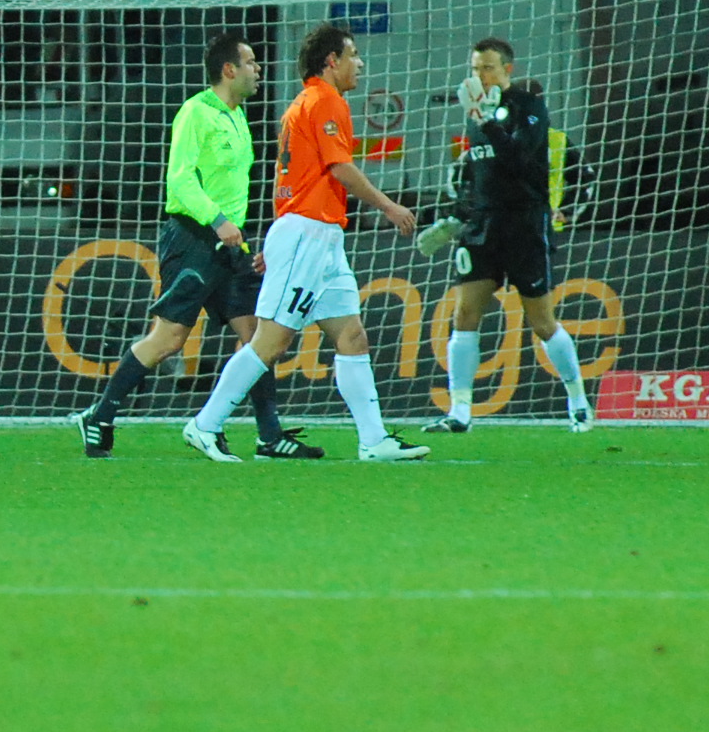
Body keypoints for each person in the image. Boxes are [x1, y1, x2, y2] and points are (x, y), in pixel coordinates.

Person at [182, 25, 428, 464]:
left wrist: (280, 235)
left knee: (351, 335)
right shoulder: (325, 101)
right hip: (309, 233)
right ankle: (205, 424)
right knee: (271, 341)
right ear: (332, 61)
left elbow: (290, 176)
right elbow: (339, 167)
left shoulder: (303, 103)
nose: (360, 63)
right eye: (353, 54)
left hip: (318, 236)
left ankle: (374, 441)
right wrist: (390, 206)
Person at [74, 32, 321, 460]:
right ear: (229, 70)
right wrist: (218, 220)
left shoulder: (238, 117)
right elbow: (180, 180)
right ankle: (100, 415)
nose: (258, 70)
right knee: (169, 338)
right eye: (251, 63)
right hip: (193, 238)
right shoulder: (195, 112)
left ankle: (269, 435)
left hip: (232, 245)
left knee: (259, 337)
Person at [423, 37, 595, 434]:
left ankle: (578, 401)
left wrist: (487, 122)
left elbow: (519, 159)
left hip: (525, 225)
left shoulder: (528, 107)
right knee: (465, 314)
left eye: (488, 68)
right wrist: (458, 217)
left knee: (542, 322)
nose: (480, 75)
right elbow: (480, 176)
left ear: (507, 70)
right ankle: (460, 411)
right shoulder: (473, 114)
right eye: (475, 68)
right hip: (483, 228)